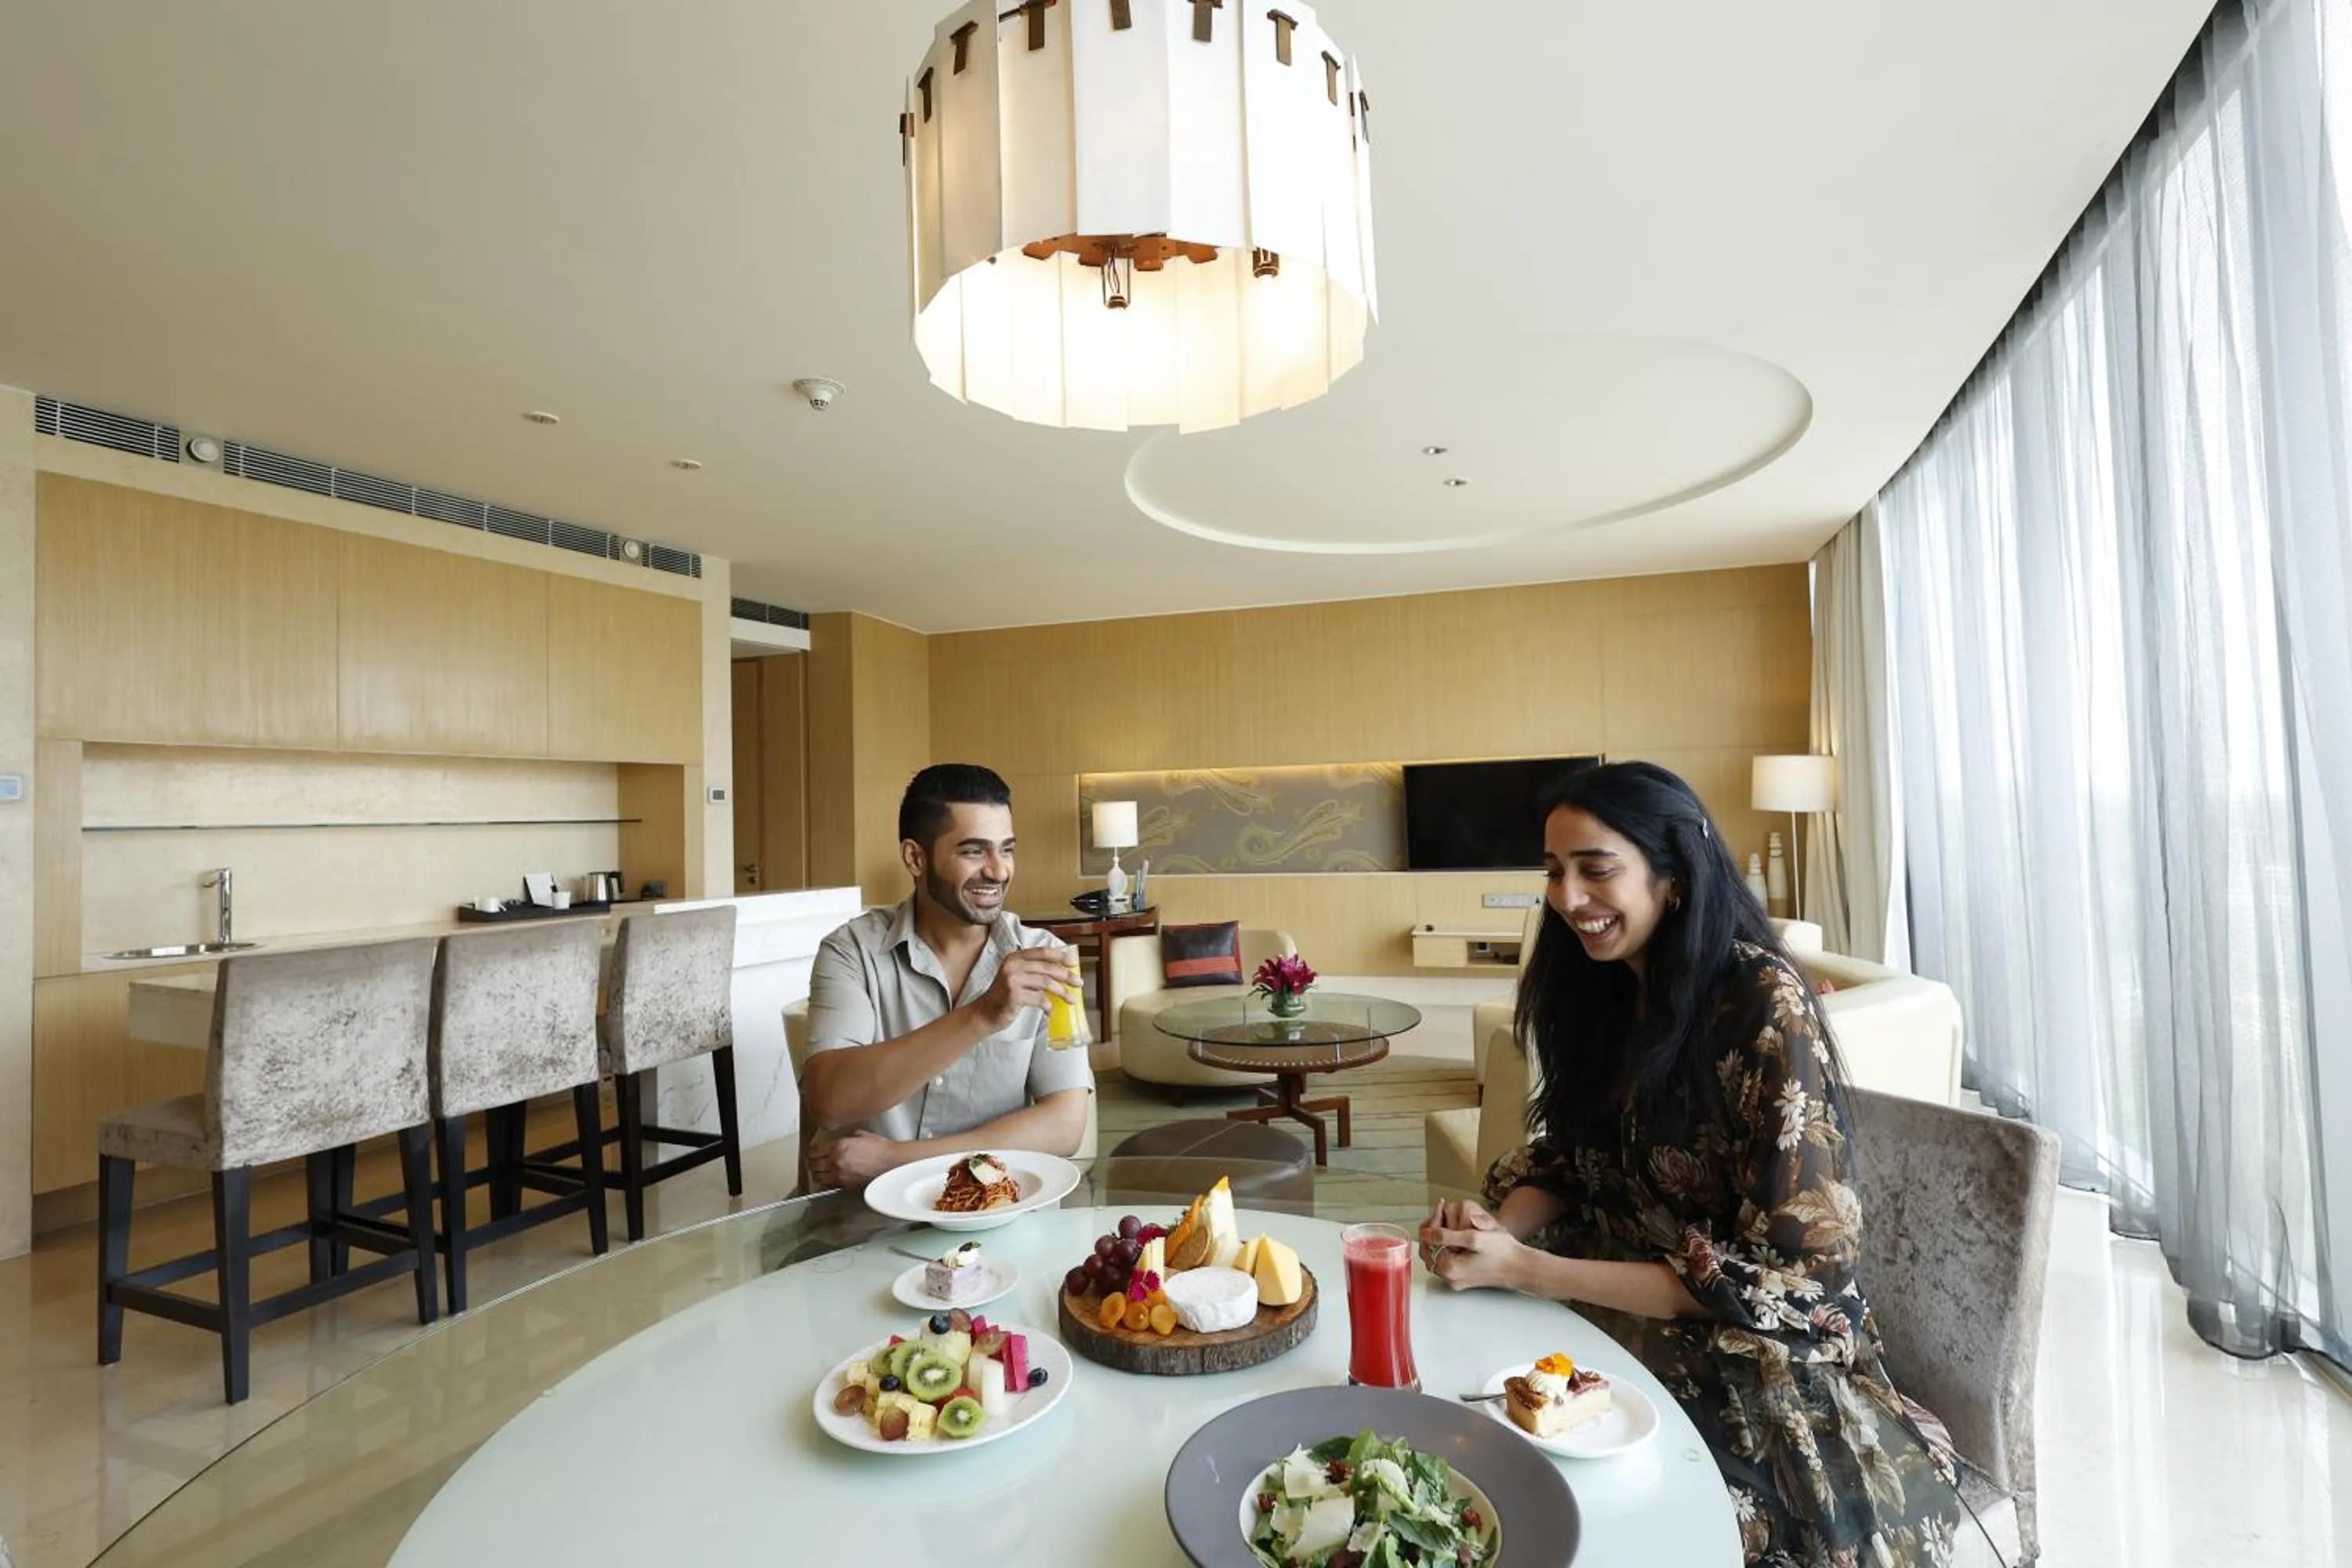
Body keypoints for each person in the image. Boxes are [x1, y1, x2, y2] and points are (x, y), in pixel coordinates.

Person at [1417, 761, 1969, 1566]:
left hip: (1751, 1350)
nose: (1569, 898)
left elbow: (1790, 1276)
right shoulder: (1603, 987)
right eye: (1555, 871)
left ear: (1671, 874)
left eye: (1597, 869)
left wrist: (1529, 1268)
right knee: (1475, 1442)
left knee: (1619, 1512)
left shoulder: (1761, 1004)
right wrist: (1496, 1232)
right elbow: (1571, 1156)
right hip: (1612, 1293)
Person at [799, 764, 1093, 1191]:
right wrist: (982, 1016)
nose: (997, 871)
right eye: (974, 852)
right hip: (867, 1221)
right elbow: (830, 1102)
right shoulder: (851, 952)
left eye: (1006, 849)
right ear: (915, 858)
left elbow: (1065, 1126)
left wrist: (898, 1161)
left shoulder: (1045, 955)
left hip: (996, 1207)